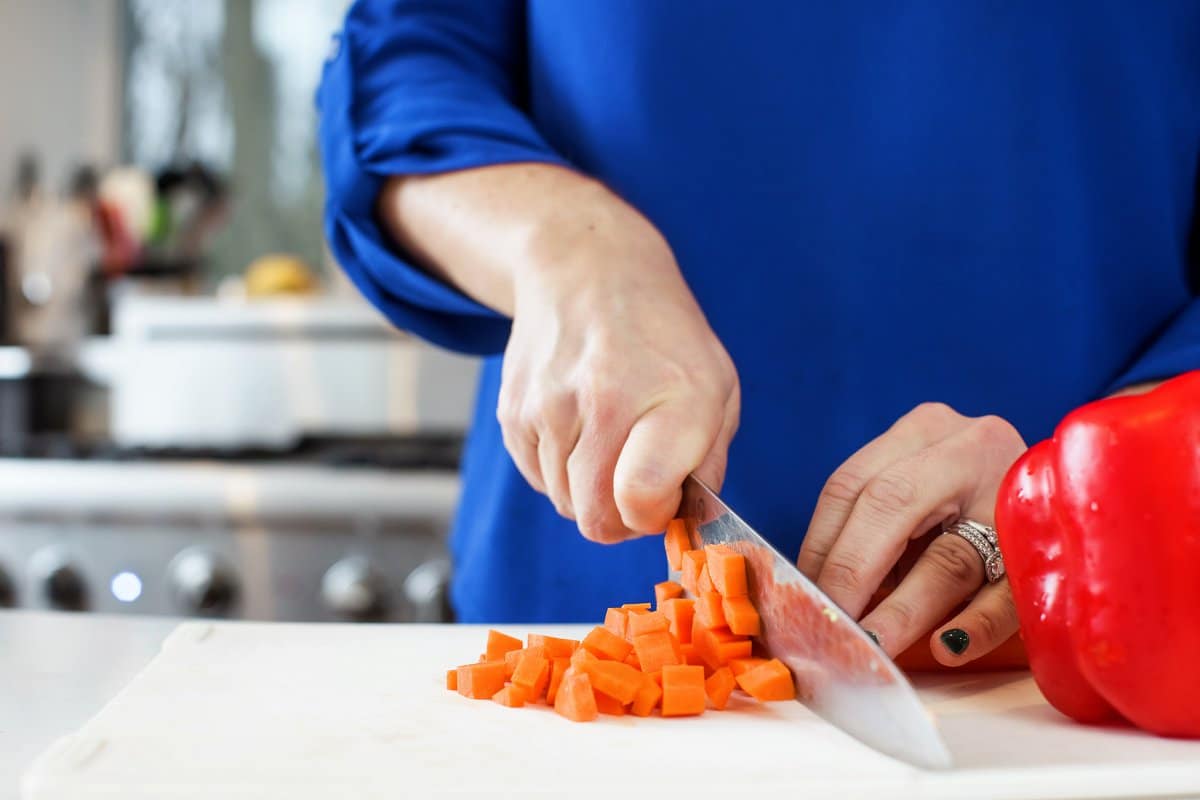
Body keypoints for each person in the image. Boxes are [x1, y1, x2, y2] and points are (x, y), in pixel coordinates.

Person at [318, 1, 1200, 665]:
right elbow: (403, 61)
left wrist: (1107, 478)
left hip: (1091, 640)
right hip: (588, 636)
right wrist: (564, 246)